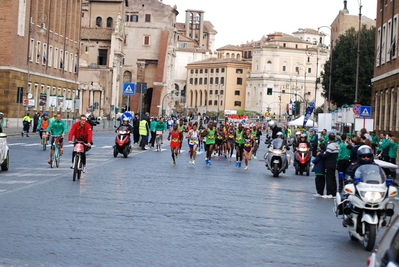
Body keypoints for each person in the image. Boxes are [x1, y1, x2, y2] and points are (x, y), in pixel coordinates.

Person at [319, 133, 339, 199]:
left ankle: (329, 193)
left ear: (329, 138)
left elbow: (326, 155)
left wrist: (320, 154)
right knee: (333, 178)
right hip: (334, 163)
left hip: (329, 164)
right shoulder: (336, 145)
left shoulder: (330, 146)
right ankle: (334, 192)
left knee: (329, 178)